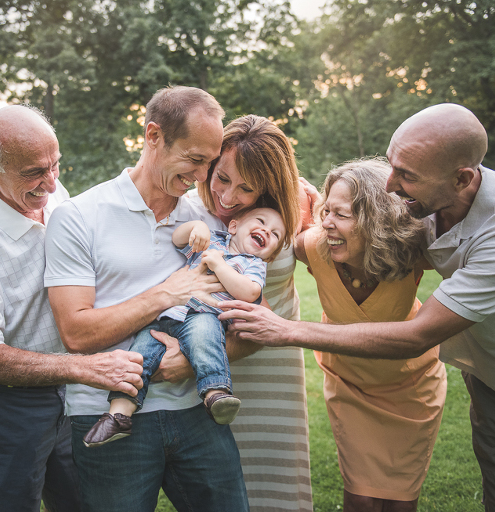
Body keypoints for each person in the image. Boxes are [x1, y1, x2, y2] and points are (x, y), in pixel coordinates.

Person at [221, 103, 495, 512]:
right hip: (486, 383)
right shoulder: (421, 210)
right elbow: (287, 212)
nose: (391, 185)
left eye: (406, 176)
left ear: (461, 177)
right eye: (393, 166)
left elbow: (419, 334)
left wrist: (286, 330)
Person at [44, 86, 250, 511]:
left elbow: (246, 320)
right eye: (194, 159)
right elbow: (76, 332)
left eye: (210, 163)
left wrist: (193, 360)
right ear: (154, 136)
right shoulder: (80, 217)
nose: (202, 176)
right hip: (108, 415)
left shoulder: (205, 220)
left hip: (197, 412)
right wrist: (167, 294)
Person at [0, 104, 144, 512]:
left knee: (85, 501)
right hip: (8, 403)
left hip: (73, 391)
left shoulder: (55, 196)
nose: (50, 183)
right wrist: (82, 367)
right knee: (10, 504)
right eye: (34, 171)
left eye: (55, 164)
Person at [153, 114, 314, 511]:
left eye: (246, 188)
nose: (227, 196)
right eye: (221, 177)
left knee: (273, 480)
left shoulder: (290, 212)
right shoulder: (189, 208)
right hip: (207, 356)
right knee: (219, 484)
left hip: (272, 362)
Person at [295, 158, 446, 511]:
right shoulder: (314, 247)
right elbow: (253, 228)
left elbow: (484, 250)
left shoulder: (415, 250)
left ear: (377, 219)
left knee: (401, 502)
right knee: (360, 498)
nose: (327, 224)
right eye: (325, 210)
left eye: (341, 214)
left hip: (411, 389)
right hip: (350, 387)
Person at [83, 207, 286, 447]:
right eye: (261, 221)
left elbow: (250, 293)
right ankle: (119, 414)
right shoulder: (212, 242)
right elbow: (178, 239)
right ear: (233, 227)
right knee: (139, 356)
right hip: (167, 315)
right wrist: (196, 228)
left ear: (270, 256)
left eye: (274, 234)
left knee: (205, 342)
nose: (266, 230)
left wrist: (220, 266)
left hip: (205, 314)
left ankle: (215, 395)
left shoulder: (253, 264)